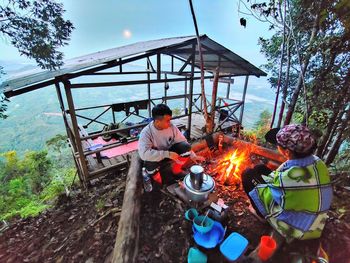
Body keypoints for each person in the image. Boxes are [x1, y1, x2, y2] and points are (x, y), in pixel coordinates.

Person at [241, 124, 333, 242]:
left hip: (299, 227)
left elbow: (270, 196)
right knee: (259, 168)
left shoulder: (288, 178)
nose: (277, 146)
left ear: (287, 152)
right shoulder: (318, 162)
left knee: (247, 174)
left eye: (278, 145)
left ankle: (261, 215)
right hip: (314, 218)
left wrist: (259, 192)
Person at [138, 104, 204, 185]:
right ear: (157, 122)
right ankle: (158, 181)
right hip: (157, 157)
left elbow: (182, 140)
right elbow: (143, 154)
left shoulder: (171, 127)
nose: (170, 123)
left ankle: (176, 171)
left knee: (185, 147)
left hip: (170, 153)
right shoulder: (146, 133)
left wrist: (193, 155)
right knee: (149, 163)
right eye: (167, 120)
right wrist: (167, 154)